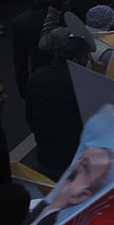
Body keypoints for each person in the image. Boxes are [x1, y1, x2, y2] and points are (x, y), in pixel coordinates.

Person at [10, 147, 114, 225]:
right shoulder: (38, 206)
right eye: (81, 158)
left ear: (83, 194)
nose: (75, 166)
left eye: (84, 166)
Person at [25, 37, 91, 179]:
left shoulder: (38, 76)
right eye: (86, 56)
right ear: (75, 60)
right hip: (72, 158)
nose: (88, 60)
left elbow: (29, 115)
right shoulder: (81, 84)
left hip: (45, 154)